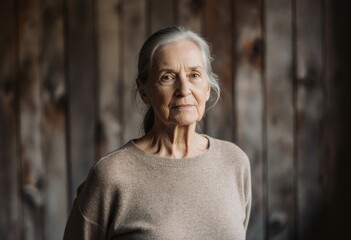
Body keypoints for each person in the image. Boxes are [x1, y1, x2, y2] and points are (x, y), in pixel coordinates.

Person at [63, 26, 251, 240]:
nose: (184, 89)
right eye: (167, 77)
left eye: (195, 75)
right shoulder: (111, 175)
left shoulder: (234, 162)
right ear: (144, 91)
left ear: (207, 88)